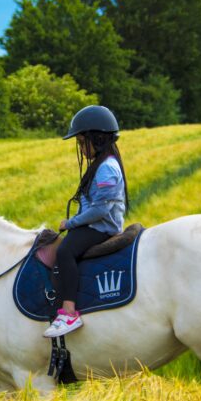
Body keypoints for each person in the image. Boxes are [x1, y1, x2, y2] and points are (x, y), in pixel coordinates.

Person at [44, 105, 129, 338]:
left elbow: (100, 210)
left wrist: (71, 223)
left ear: (98, 139)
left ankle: (69, 312)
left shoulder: (107, 168)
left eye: (83, 142)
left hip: (101, 227)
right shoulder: (102, 164)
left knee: (65, 253)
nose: (81, 148)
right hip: (93, 224)